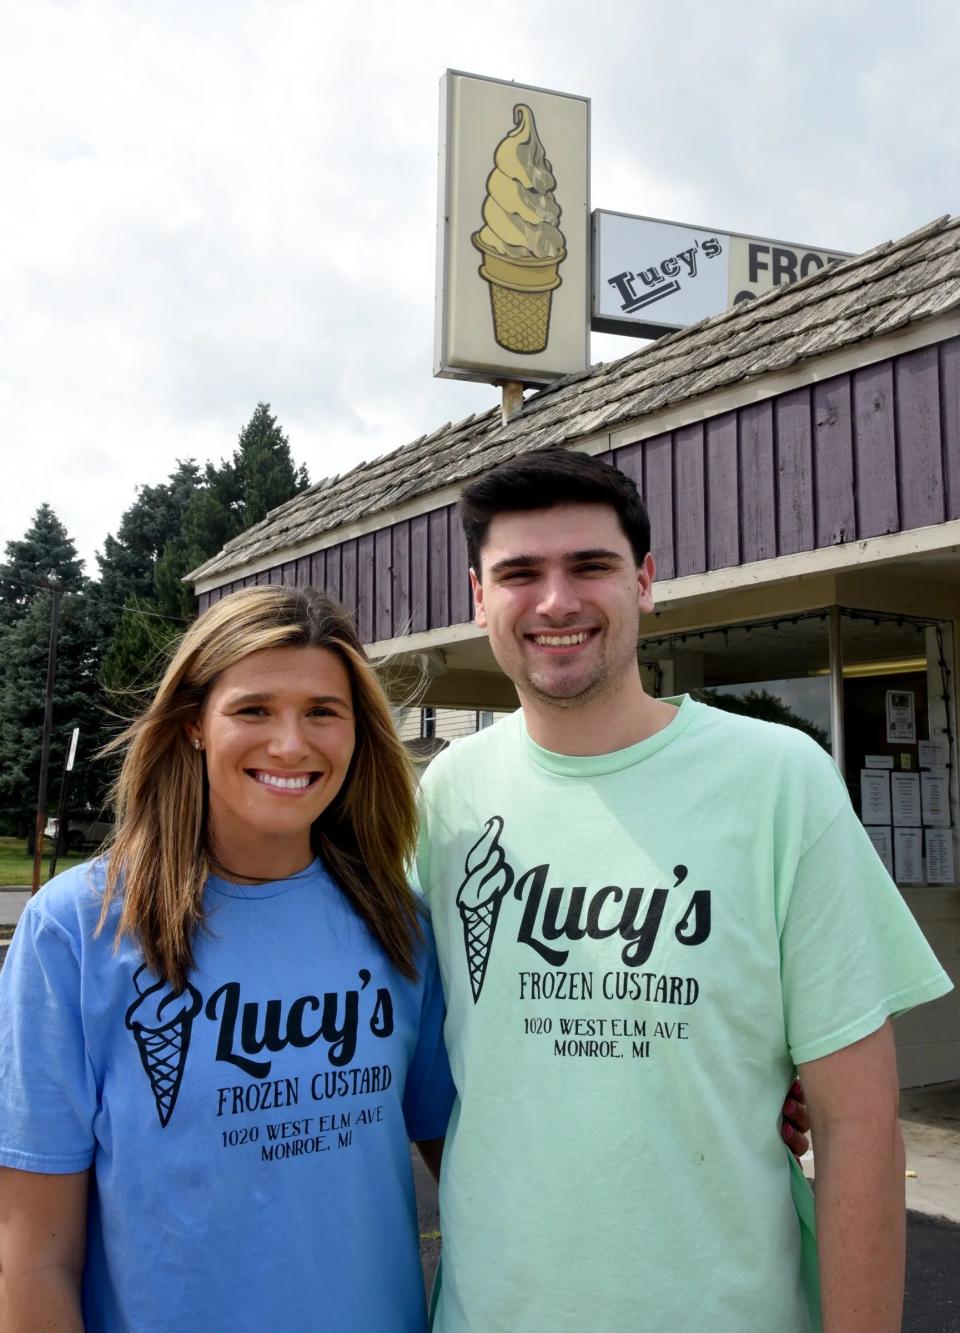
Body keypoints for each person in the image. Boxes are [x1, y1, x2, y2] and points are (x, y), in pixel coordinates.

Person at [415, 448, 953, 1332]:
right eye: (519, 573)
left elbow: (859, 1119)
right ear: (480, 599)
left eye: (590, 565)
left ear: (646, 582)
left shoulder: (780, 779)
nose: (556, 601)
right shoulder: (447, 797)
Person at [0, 587, 454, 1332]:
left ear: (357, 731)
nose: (289, 743)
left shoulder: (398, 923)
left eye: (321, 711)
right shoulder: (77, 929)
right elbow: (33, 1259)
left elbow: (470, 1179)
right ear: (193, 727)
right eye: (253, 709)